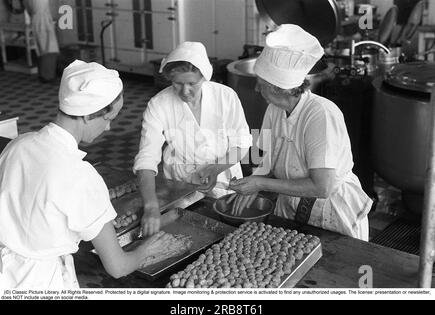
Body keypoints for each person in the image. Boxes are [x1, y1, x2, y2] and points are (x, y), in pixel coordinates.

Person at [0, 60, 176, 289]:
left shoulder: (18, 145)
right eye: (108, 119)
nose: (108, 128)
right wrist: (147, 249)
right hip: (41, 281)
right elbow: (118, 267)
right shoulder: (80, 175)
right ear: (86, 115)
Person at [228, 25, 372, 241]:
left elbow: (322, 187)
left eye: (262, 85)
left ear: (279, 88)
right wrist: (253, 181)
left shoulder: (321, 115)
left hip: (331, 213)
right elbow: (265, 159)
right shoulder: (273, 110)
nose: (257, 90)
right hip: (290, 208)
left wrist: (260, 184)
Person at [134, 42, 252, 237]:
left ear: (204, 77)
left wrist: (215, 169)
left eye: (192, 84)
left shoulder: (225, 97)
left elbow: (242, 143)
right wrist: (151, 206)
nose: (185, 91)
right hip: (182, 188)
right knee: (188, 236)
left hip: (224, 181)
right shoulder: (159, 104)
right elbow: (147, 157)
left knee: (227, 237)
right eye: (177, 83)